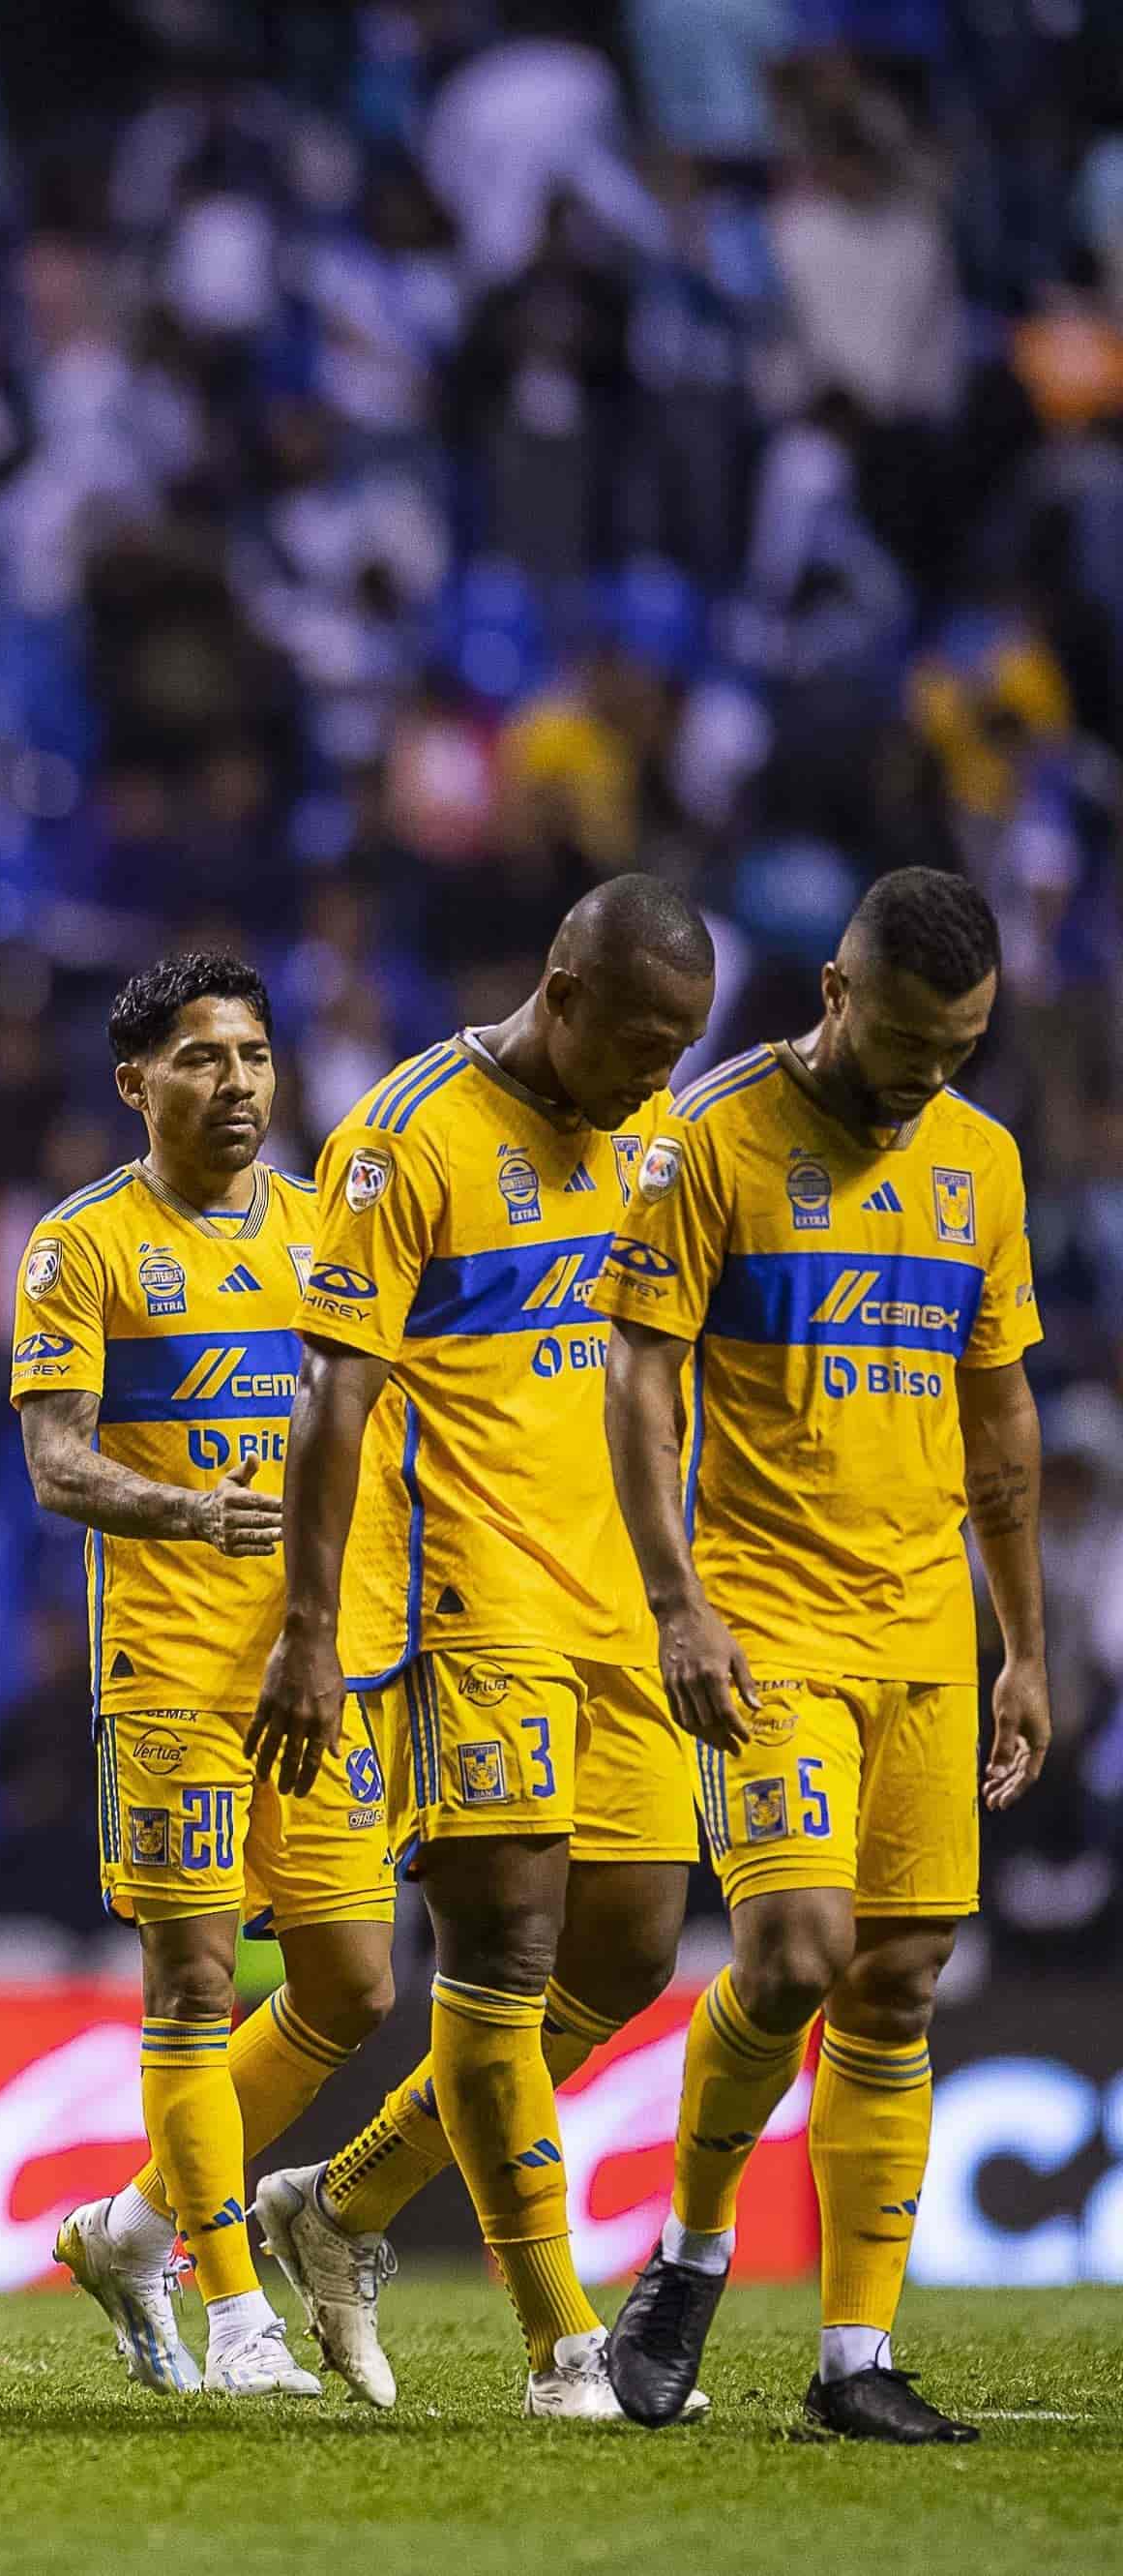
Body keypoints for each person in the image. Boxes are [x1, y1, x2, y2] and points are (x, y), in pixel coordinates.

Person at [245, 876, 720, 2419]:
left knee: (631, 1951)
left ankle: (338, 2205)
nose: (658, 1073)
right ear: (561, 994)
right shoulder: (408, 1135)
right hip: (467, 1592)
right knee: (502, 1953)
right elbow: (333, 1400)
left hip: (625, 1593)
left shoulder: (659, 1136)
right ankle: (560, 2340)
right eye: (641, 1041)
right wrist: (311, 1627)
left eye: (683, 1046)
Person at [597, 868, 1049, 2442]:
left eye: (962, 1047)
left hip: (925, 1625)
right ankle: (689, 2254)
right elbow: (638, 1384)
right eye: (910, 1042)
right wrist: (676, 1602)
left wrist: (1024, 1647)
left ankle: (855, 2356)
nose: (930, 1075)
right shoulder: (711, 1140)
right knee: (795, 1951)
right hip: (765, 1615)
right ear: (837, 994)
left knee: (899, 1980)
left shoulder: (982, 1164)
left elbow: (1002, 1422)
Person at [11, 954, 379, 2403]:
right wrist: (185, 1509)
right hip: (168, 1662)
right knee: (196, 1978)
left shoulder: (326, 1229)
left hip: (314, 1658)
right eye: (203, 1058)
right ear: (136, 1082)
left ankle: (134, 2226)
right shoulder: (80, 1245)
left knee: (352, 1983)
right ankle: (236, 2315)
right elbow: (56, 1462)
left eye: (255, 1055)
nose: (238, 1083)